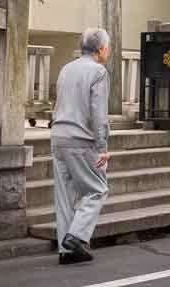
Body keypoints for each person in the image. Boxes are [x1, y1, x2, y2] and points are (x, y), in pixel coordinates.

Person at [50, 28, 111, 265]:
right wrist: (102, 146)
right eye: (108, 47)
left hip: (58, 137)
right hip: (81, 140)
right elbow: (98, 114)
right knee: (97, 190)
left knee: (65, 195)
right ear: (101, 49)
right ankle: (75, 237)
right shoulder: (98, 71)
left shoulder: (67, 68)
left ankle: (66, 251)